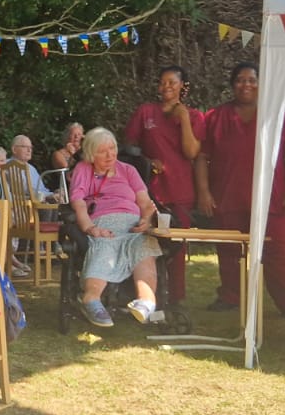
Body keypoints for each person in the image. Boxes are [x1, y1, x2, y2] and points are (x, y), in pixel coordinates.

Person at [193, 62, 285, 322]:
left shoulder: (277, 114)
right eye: (240, 80)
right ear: (233, 85)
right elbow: (201, 157)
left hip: (270, 198)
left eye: (252, 80)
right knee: (229, 252)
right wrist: (203, 192)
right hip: (227, 196)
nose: (246, 85)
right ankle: (230, 297)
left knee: (276, 252)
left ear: (260, 84)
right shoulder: (215, 117)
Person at [125, 66, 205, 309]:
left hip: (179, 190)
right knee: (144, 241)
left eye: (172, 82)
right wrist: (147, 161)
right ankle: (145, 296)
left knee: (176, 246)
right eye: (162, 82)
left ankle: (176, 299)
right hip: (148, 189)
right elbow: (128, 147)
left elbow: (192, 152)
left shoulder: (194, 116)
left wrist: (183, 118)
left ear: (183, 86)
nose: (166, 86)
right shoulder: (146, 112)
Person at [68, 127, 163, 328]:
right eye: (103, 151)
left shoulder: (128, 170)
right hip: (104, 223)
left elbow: (145, 203)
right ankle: (91, 299)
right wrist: (90, 228)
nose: (110, 155)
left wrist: (146, 219)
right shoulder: (83, 169)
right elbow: (79, 203)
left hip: (133, 224)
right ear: (91, 154)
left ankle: (146, 302)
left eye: (112, 149)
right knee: (104, 246)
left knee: (145, 246)